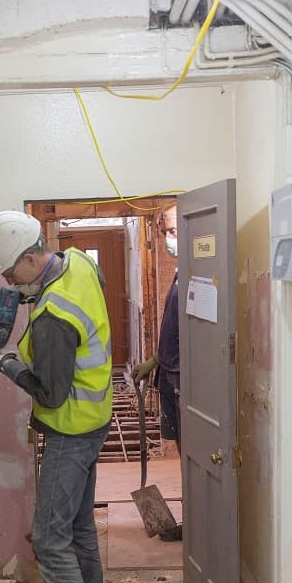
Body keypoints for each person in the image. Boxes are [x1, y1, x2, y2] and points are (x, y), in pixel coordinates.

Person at [0, 210, 113, 583]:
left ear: (33, 258)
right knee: (78, 531)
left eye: (12, 273)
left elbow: (51, 393)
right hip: (95, 420)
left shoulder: (54, 316)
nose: (9, 284)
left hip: (71, 431)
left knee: (51, 539)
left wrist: (8, 364)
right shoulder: (77, 262)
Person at [131, 226, 182, 541]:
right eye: (166, 230)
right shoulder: (179, 274)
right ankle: (190, 522)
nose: (169, 237)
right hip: (169, 373)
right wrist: (155, 360)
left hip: (182, 378)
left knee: (193, 452)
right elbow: (172, 331)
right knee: (182, 448)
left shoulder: (199, 276)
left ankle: (197, 528)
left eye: (174, 230)